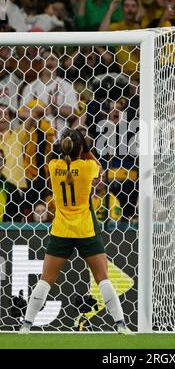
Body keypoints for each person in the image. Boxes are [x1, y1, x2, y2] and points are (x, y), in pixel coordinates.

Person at [20, 128, 132, 334]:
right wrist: (85, 149)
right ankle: (120, 324)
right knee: (103, 277)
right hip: (85, 229)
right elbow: (98, 166)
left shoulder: (54, 166)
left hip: (61, 229)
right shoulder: (88, 166)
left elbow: (54, 156)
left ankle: (26, 325)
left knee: (46, 278)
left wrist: (65, 149)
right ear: (81, 148)